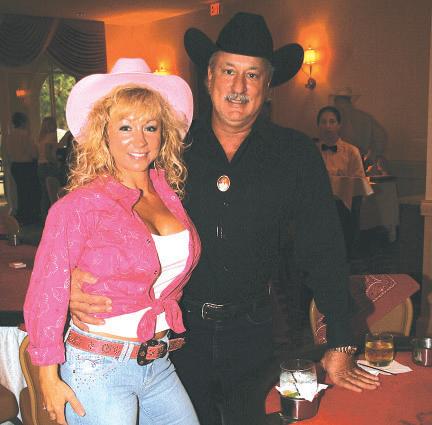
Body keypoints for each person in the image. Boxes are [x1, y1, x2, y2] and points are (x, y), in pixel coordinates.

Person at [69, 13, 379, 425]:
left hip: (255, 331)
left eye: (252, 75)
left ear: (268, 85)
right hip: (172, 332)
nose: (239, 87)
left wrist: (340, 341)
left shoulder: (295, 154)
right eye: (229, 71)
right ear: (209, 77)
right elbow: (99, 208)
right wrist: (71, 274)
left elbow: (323, 248)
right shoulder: (167, 145)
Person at [24, 58, 201, 425]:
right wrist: (47, 378)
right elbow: (45, 290)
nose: (140, 140)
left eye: (150, 127)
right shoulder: (80, 206)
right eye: (125, 127)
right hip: (98, 367)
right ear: (104, 134)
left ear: (163, 133)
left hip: (158, 363)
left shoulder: (170, 197)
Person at [316, 105, 367, 256]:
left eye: (332, 122)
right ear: (318, 125)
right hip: (318, 206)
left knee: (343, 249)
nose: (327, 126)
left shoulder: (352, 151)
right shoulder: (312, 150)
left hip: (343, 206)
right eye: (323, 122)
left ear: (339, 125)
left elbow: (359, 182)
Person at [330, 87, 388, 173]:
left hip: (353, 163)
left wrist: (371, 157)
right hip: (348, 163)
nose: (336, 104)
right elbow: (381, 136)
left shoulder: (364, 118)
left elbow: (381, 137)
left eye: (337, 101)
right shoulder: (365, 118)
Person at [2, 112, 41, 225]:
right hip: (26, 166)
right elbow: (33, 153)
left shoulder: (9, 137)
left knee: (20, 191)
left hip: (15, 165)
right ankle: (30, 216)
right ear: (23, 122)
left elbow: (7, 152)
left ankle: (21, 215)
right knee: (30, 191)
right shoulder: (25, 135)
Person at [37, 116, 59, 220]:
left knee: (44, 194)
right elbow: (48, 154)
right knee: (52, 194)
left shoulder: (41, 138)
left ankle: (44, 218)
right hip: (48, 166)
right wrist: (57, 163)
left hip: (40, 166)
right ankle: (52, 218)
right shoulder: (51, 136)